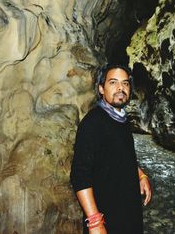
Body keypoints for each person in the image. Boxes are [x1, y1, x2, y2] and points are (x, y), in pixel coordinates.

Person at [70, 64, 152, 234]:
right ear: (101, 88)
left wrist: (141, 176)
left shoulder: (122, 120)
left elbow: (123, 156)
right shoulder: (93, 123)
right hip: (107, 220)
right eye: (113, 82)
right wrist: (95, 222)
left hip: (128, 215)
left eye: (125, 83)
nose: (120, 88)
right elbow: (80, 174)